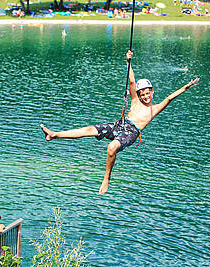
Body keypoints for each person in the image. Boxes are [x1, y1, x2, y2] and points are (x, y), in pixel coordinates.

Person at [41, 50, 200, 194]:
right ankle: (55, 135)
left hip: (131, 133)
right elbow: (131, 81)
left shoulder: (155, 109)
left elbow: (170, 98)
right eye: (142, 94)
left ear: (152, 92)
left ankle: (106, 177)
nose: (145, 96)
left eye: (147, 93)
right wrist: (128, 61)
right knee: (90, 129)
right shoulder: (135, 101)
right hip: (120, 124)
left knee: (112, 148)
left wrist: (187, 86)